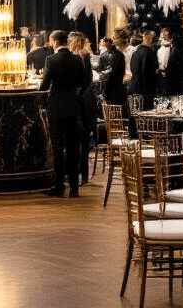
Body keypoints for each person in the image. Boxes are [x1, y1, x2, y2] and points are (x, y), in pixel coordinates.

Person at [39, 29, 85, 198]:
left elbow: (44, 85)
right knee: (73, 148)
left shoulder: (51, 60)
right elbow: (84, 83)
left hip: (56, 108)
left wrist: (44, 98)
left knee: (58, 147)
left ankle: (59, 187)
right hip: (73, 107)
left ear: (55, 42)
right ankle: (74, 188)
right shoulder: (77, 59)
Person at [69, 31, 95, 185]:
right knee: (84, 139)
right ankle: (84, 175)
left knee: (75, 139)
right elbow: (89, 79)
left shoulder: (75, 58)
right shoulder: (86, 56)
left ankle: (74, 174)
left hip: (79, 101)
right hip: (88, 98)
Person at [155, 25, 183, 98]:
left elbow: (181, 65)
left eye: (166, 36)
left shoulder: (176, 48)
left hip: (173, 79)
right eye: (162, 36)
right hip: (161, 78)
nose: (163, 38)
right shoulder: (158, 48)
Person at [129, 30, 158, 110]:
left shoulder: (135, 52)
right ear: (148, 38)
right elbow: (146, 72)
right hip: (145, 90)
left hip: (134, 87)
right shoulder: (148, 52)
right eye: (153, 39)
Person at [100, 37, 128, 108]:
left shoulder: (105, 55)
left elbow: (102, 71)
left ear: (105, 45)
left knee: (109, 108)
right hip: (119, 84)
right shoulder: (120, 54)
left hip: (109, 86)